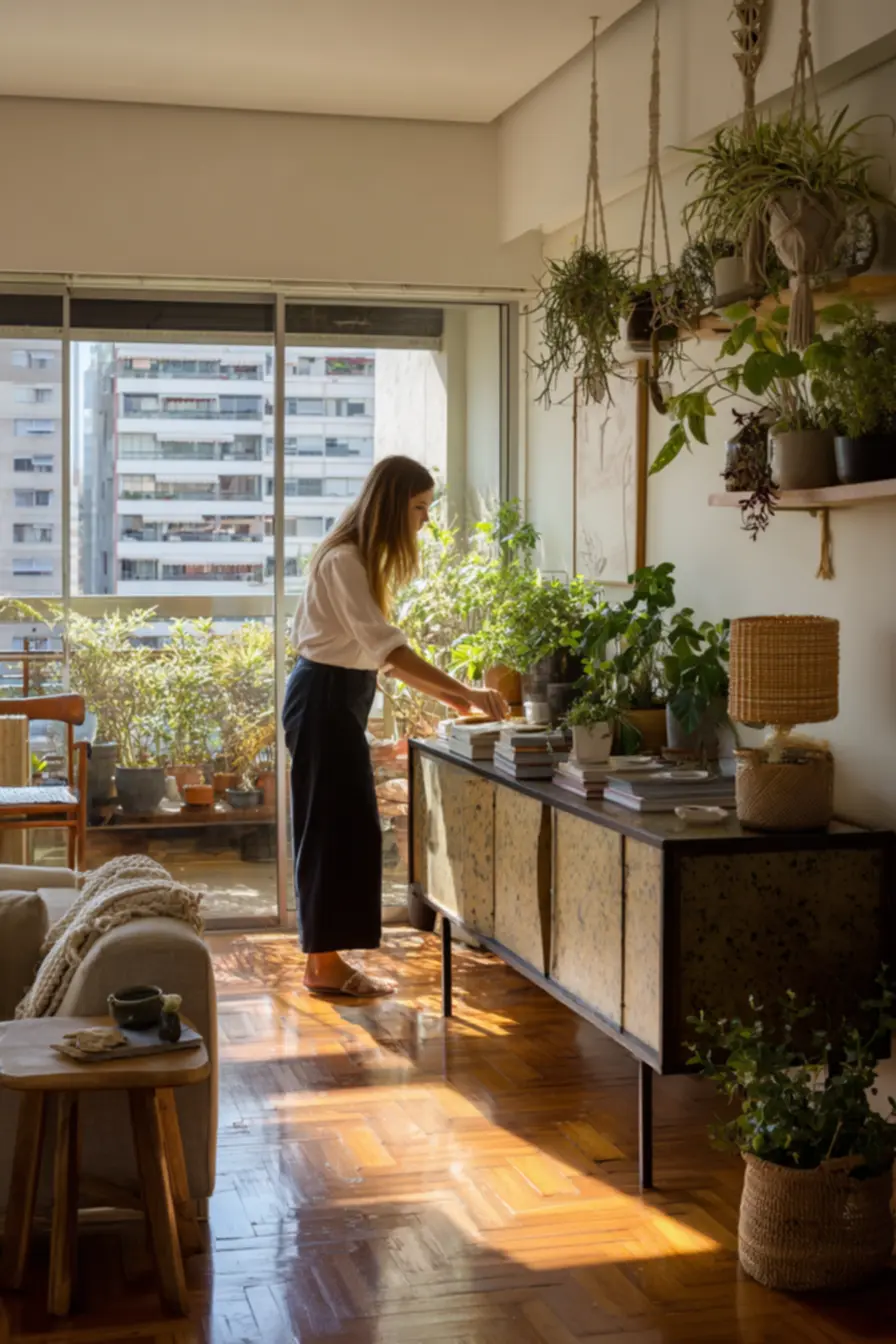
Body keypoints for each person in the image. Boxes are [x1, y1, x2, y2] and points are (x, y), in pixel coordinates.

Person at [284, 455, 508, 998]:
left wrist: (457, 697)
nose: (425, 521)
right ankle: (324, 966)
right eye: (419, 508)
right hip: (324, 699)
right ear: (391, 505)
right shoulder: (344, 561)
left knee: (348, 830)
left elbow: (380, 657)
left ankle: (326, 961)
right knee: (333, 832)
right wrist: (464, 693)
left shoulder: (356, 559)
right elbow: (390, 650)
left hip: (336, 698)